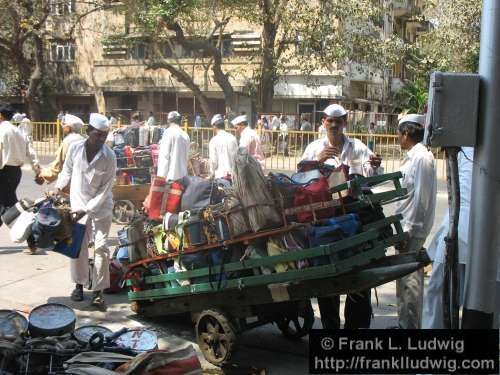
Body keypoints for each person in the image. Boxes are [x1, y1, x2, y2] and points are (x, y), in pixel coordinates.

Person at [301, 103, 382, 329]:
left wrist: (375, 165)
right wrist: (317, 161)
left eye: (338, 121)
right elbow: (300, 178)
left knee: (359, 271)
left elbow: (371, 172)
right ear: (323, 122)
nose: (334, 125)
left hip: (354, 215)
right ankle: (330, 328)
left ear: (345, 122)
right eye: (330, 120)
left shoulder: (357, 147)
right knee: (328, 276)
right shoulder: (314, 147)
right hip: (326, 217)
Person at [53, 113, 116, 309]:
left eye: (105, 135)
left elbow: (105, 190)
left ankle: (98, 291)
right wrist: (58, 187)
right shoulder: (75, 148)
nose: (102, 139)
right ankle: (79, 285)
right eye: (98, 134)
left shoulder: (110, 157)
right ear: (89, 131)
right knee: (78, 248)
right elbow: (67, 171)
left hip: (101, 208)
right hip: (78, 205)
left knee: (101, 248)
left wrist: (87, 210)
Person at [394, 113, 437, 329]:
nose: (398, 139)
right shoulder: (413, 156)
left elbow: (422, 199)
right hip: (405, 227)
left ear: (407, 133)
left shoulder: (421, 158)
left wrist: (408, 230)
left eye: (400, 134)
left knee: (410, 282)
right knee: (402, 280)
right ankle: (404, 324)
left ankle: (409, 328)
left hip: (411, 230)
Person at [0, 104, 40, 226]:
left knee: (8, 205)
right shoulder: (18, 130)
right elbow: (30, 151)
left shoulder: (2, 130)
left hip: (3, 171)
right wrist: (37, 170)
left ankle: (31, 232)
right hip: (16, 172)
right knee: (6, 202)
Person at [37, 114, 85, 184]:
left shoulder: (68, 141)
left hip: (70, 180)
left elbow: (59, 164)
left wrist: (44, 175)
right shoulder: (84, 138)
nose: (62, 128)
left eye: (63, 125)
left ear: (68, 128)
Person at [157, 110, 190, 181]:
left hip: (171, 178)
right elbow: (187, 157)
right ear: (180, 121)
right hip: (183, 176)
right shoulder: (185, 135)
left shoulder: (168, 133)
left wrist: (161, 177)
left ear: (168, 121)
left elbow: (164, 156)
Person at [208, 114, 238, 179]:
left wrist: (211, 174)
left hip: (220, 177)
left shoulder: (213, 141)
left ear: (214, 126)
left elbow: (213, 161)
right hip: (233, 177)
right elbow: (236, 158)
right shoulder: (233, 138)